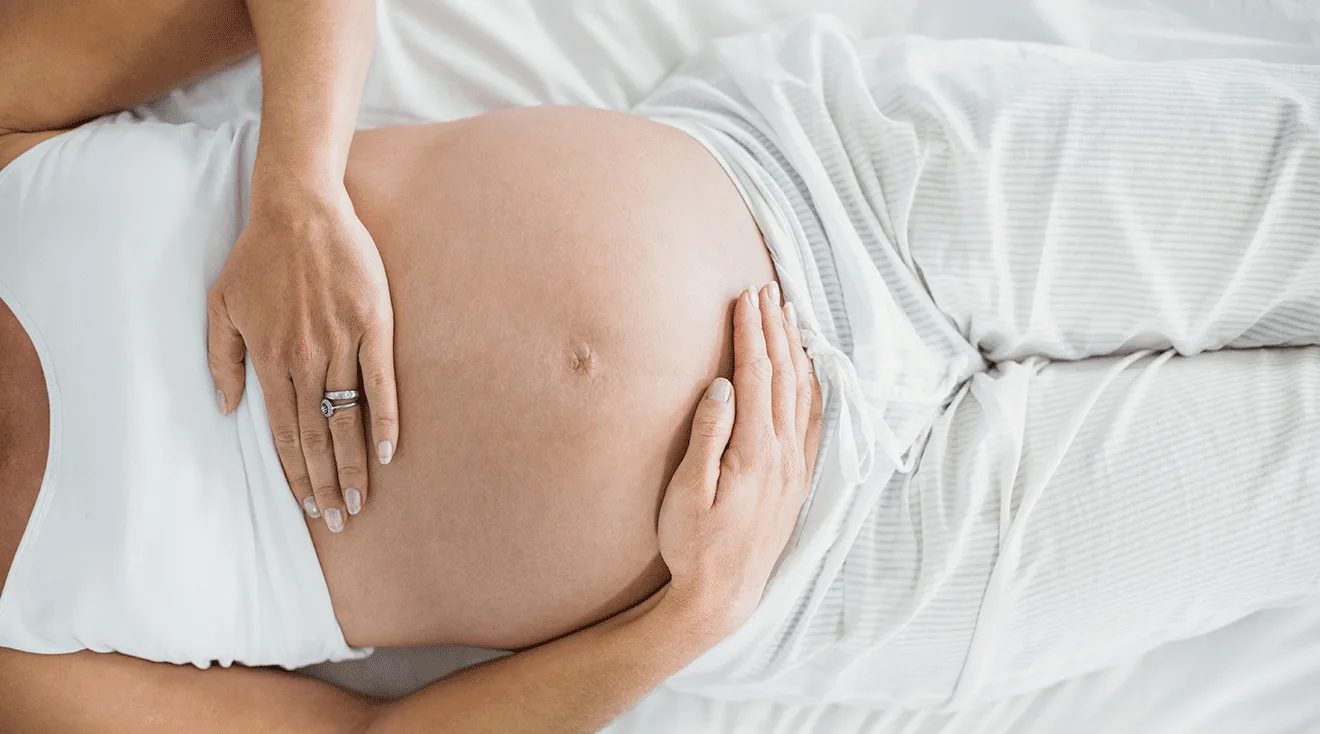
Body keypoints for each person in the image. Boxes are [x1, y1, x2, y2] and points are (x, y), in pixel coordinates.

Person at [4, 0, 1320, 724]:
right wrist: (685, 618)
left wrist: (293, 187)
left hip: (834, 184)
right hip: (845, 554)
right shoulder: (16, 663)